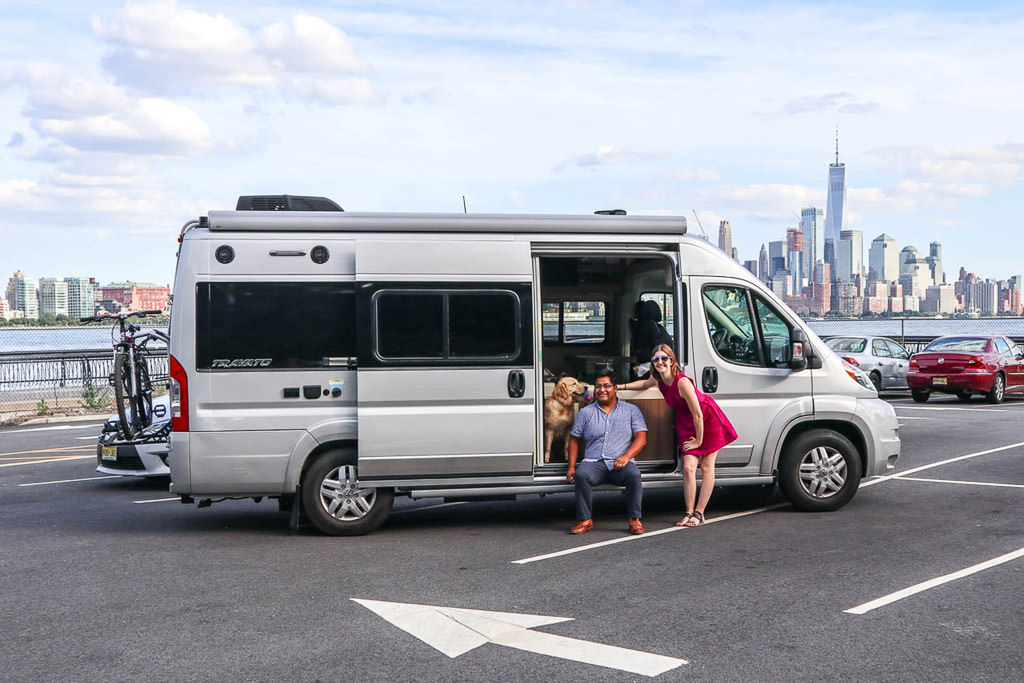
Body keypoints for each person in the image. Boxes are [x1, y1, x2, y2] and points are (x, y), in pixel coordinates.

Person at [615, 344, 737, 527]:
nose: (660, 362)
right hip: (686, 422)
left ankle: (699, 513)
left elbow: (698, 414)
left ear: (672, 361)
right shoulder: (658, 379)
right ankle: (688, 512)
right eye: (656, 359)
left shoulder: (682, 382)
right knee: (688, 468)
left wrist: (699, 441)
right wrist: (620, 386)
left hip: (707, 420)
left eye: (664, 358)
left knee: (706, 466)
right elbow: (644, 384)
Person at [566, 373, 648, 535]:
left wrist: (626, 457)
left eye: (606, 386)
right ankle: (585, 520)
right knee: (581, 475)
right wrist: (571, 467)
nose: (601, 390)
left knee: (633, 475)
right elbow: (574, 439)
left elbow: (641, 438)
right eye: (598, 386)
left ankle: (634, 520)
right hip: (594, 462)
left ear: (615, 389)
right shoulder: (585, 413)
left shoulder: (631, 410)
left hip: (621, 463)